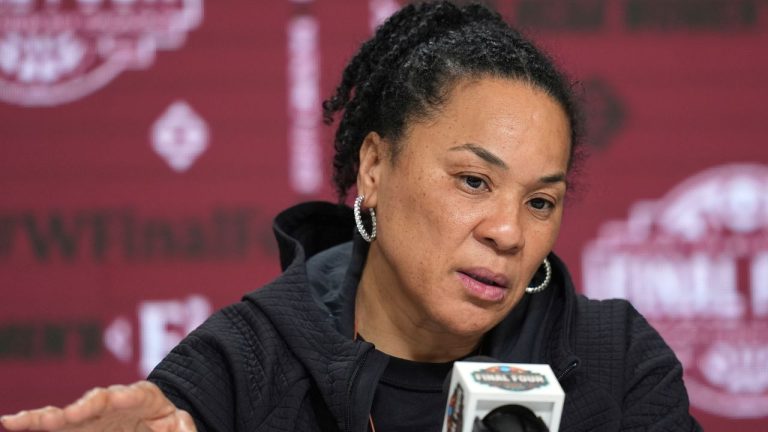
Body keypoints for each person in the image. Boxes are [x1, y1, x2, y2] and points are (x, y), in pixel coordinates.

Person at [1, 2, 701, 431]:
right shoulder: (246, 364)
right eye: (473, 180)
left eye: (539, 201)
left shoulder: (616, 362)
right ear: (374, 168)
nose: (509, 231)